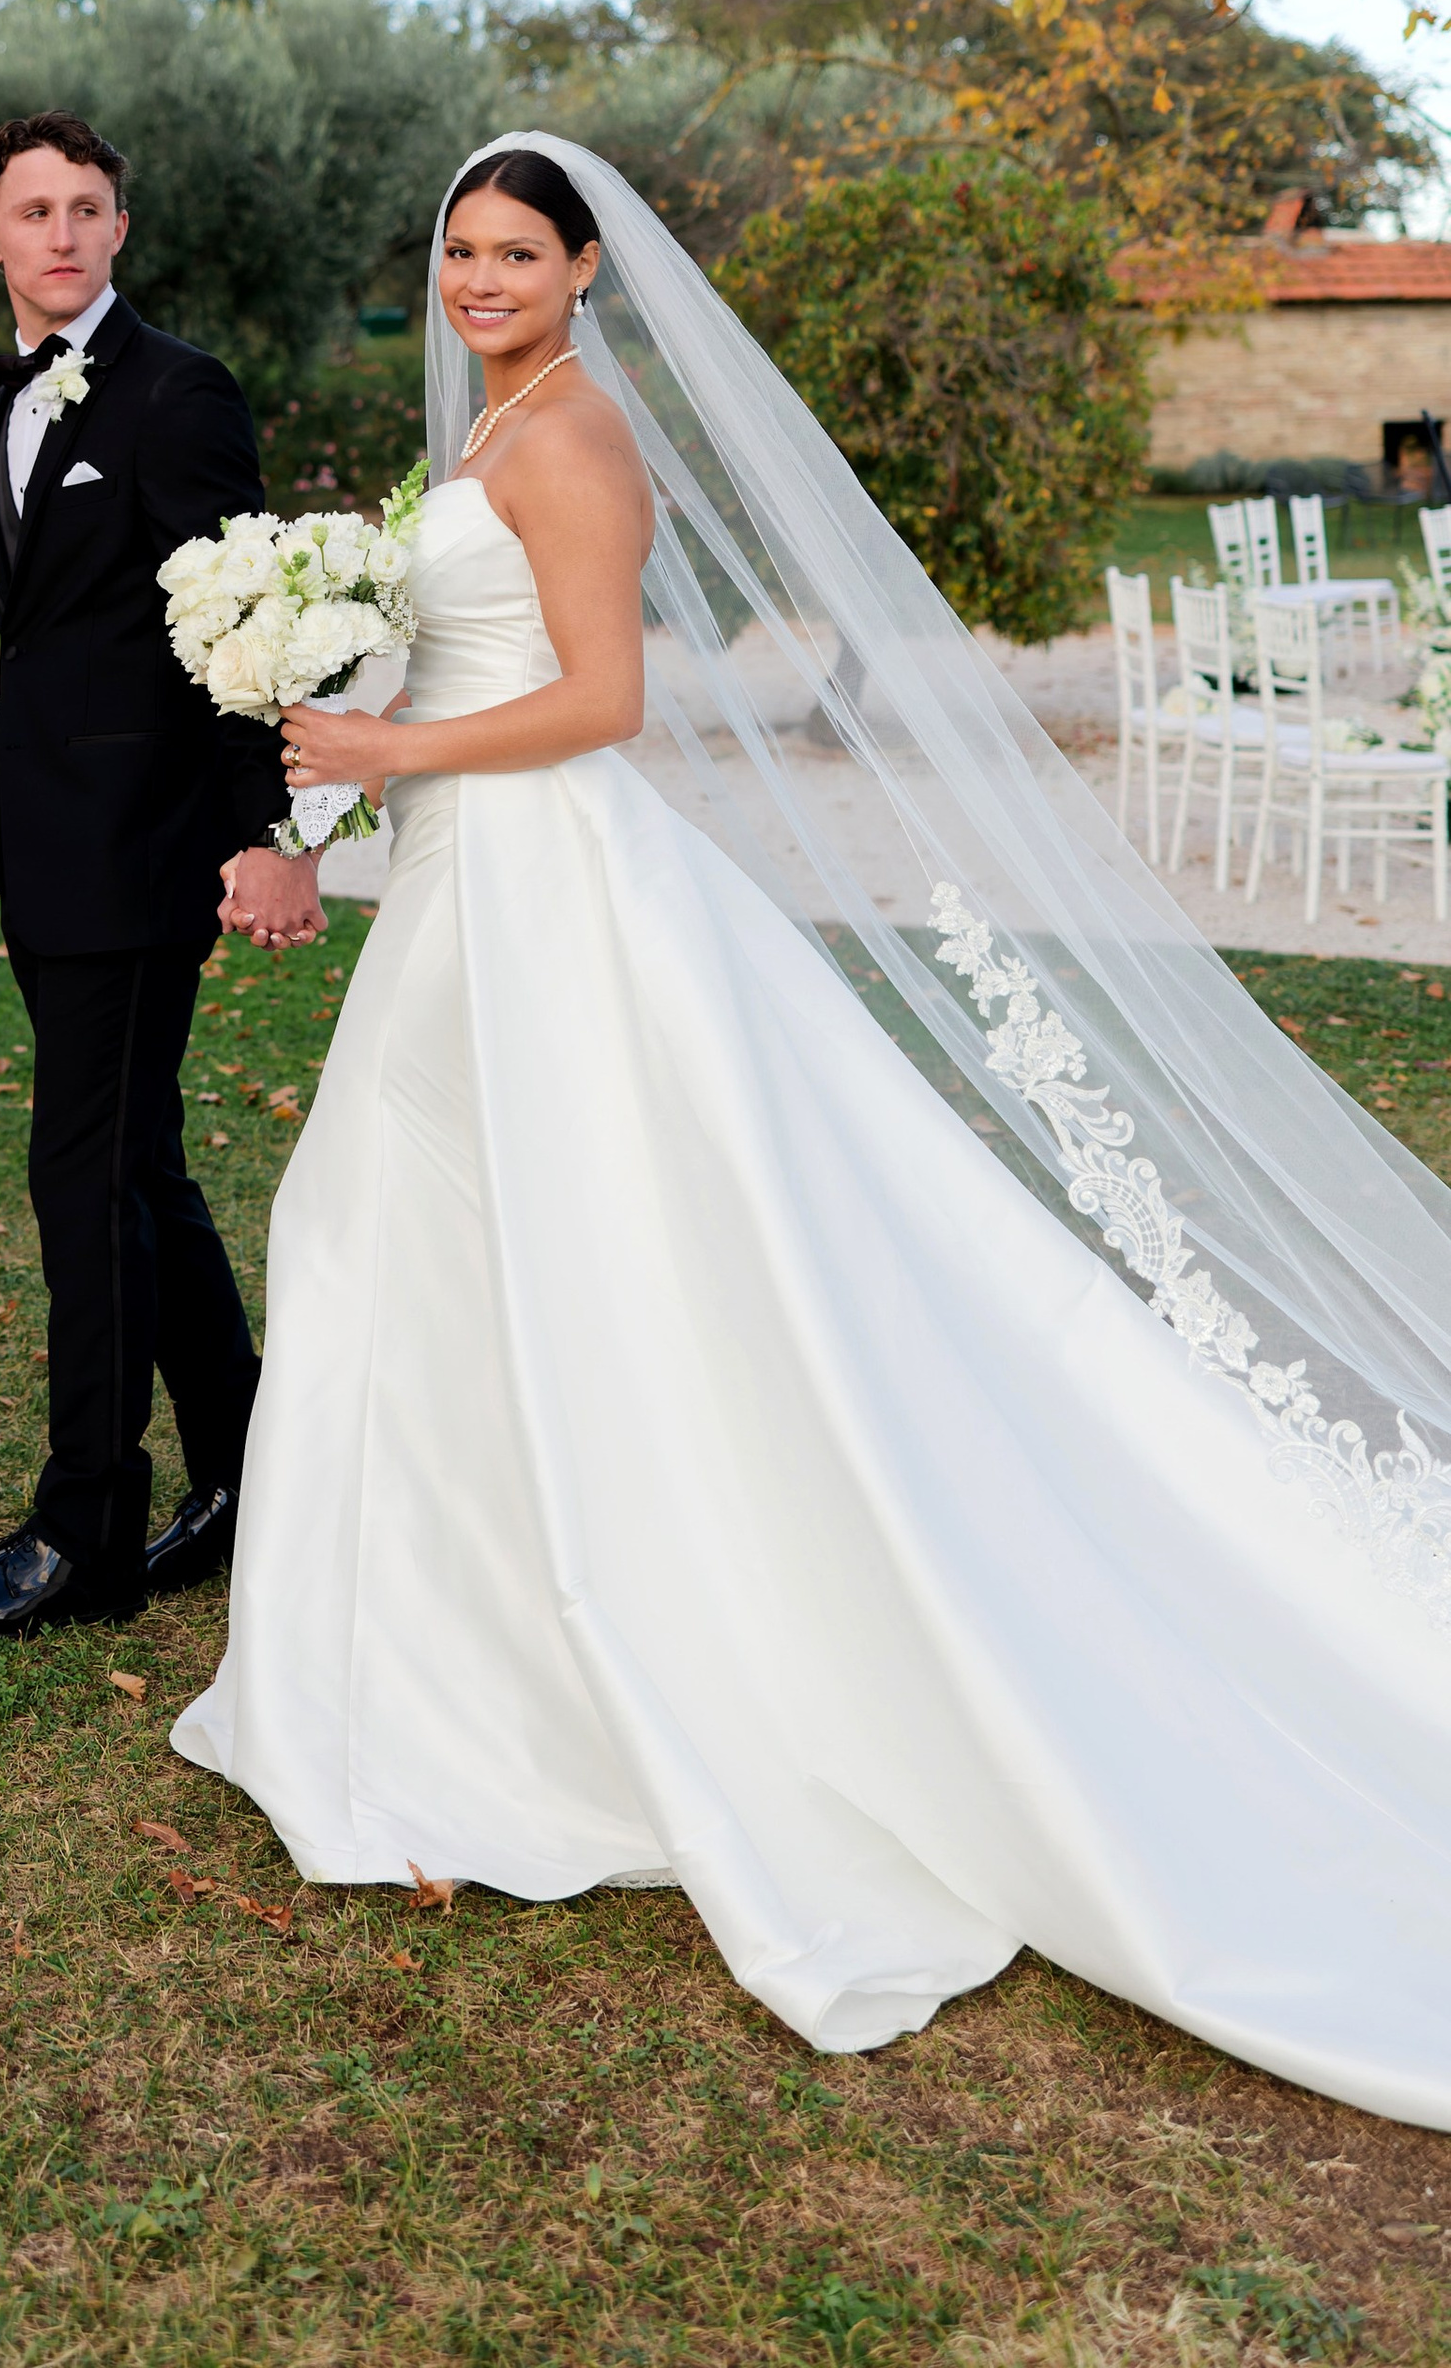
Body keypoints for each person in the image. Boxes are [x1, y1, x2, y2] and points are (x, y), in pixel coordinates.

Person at [175, 130, 1451, 2127]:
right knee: (394, 1232)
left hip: (547, 888)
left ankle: (527, 1681)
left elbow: (603, 699)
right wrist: (321, 806)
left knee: (512, 1240)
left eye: (516, 252)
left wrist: (386, 744)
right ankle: (420, 1663)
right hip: (461, 885)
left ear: (585, 271)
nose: (479, 277)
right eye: (459, 248)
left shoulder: (574, 438)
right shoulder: (487, 427)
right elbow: (441, 658)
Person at [0, 109, 326, 1643]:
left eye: (88, 206)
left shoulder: (179, 391)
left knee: (83, 1173)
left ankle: (87, 1532)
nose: (63, 232)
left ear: (120, 228)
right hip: (47, 837)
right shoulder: (10, 399)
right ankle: (253, 1470)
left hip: (141, 851)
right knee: (138, 1164)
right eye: (34, 210)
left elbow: (242, 628)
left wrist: (263, 830)